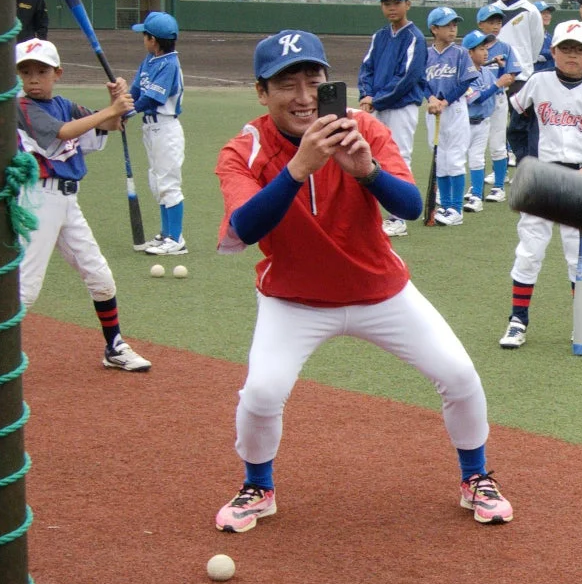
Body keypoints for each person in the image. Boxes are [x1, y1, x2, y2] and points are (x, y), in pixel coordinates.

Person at [213, 30, 508, 533]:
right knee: (261, 393)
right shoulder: (245, 149)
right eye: (286, 84)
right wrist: (297, 170)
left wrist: (368, 172)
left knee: (459, 375)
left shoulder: (363, 128)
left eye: (314, 81)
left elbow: (410, 207)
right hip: (294, 300)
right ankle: (258, 487)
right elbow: (246, 226)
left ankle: (475, 477)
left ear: (331, 84)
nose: (303, 97)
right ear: (261, 92)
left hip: (379, 292)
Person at [10, 37, 151, 373]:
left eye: (41, 71)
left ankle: (114, 346)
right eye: (26, 72)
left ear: (57, 73)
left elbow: (110, 124)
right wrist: (112, 109)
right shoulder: (22, 107)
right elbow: (63, 132)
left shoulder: (63, 104)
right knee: (25, 288)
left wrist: (115, 102)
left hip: (67, 201)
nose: (33, 79)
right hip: (37, 199)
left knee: (100, 276)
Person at [501, 20, 582, 350]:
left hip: (579, 180)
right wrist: (525, 161)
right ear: (552, 52)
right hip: (541, 179)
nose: (572, 55)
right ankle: (517, 320)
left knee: (581, 255)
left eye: (580, 49)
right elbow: (517, 125)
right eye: (565, 48)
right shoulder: (538, 82)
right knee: (530, 250)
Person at [357, 0, 429, 238]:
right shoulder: (379, 36)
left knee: (398, 157)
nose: (391, 7)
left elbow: (407, 77)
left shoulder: (414, 37)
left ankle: (399, 218)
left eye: (396, 2)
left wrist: (375, 99)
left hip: (401, 106)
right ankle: (374, 215)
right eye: (386, 3)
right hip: (377, 104)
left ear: (408, 4)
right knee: (371, 156)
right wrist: (366, 93)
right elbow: (367, 68)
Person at [129, 10, 188, 256]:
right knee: (156, 182)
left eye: (145, 35)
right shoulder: (150, 60)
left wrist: (128, 112)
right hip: (151, 128)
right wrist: (120, 106)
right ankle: (166, 233)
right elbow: (136, 90)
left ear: (153, 40)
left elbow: (152, 98)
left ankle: (176, 239)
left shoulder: (169, 64)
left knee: (168, 183)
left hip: (166, 128)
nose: (143, 39)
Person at [422, 7, 478, 226]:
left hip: (454, 109)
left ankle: (456, 209)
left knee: (454, 158)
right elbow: (420, 80)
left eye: (454, 24)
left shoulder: (460, 53)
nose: (453, 29)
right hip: (433, 110)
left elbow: (465, 82)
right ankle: (444, 206)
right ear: (434, 29)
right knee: (440, 159)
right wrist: (431, 99)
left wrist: (444, 101)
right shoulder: (425, 54)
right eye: (447, 25)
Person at [464, 4, 523, 207]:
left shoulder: (505, 47)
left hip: (497, 98)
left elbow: (511, 75)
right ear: (480, 24)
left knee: (497, 144)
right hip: (477, 100)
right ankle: (476, 186)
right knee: (473, 147)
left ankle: (498, 186)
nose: (496, 25)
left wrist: (500, 80)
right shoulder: (470, 46)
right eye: (491, 22)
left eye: (498, 22)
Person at [489, 0, 543, 92]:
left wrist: (524, 62)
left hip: (521, 77)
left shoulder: (530, 10)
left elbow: (537, 42)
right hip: (494, 77)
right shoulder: (492, 9)